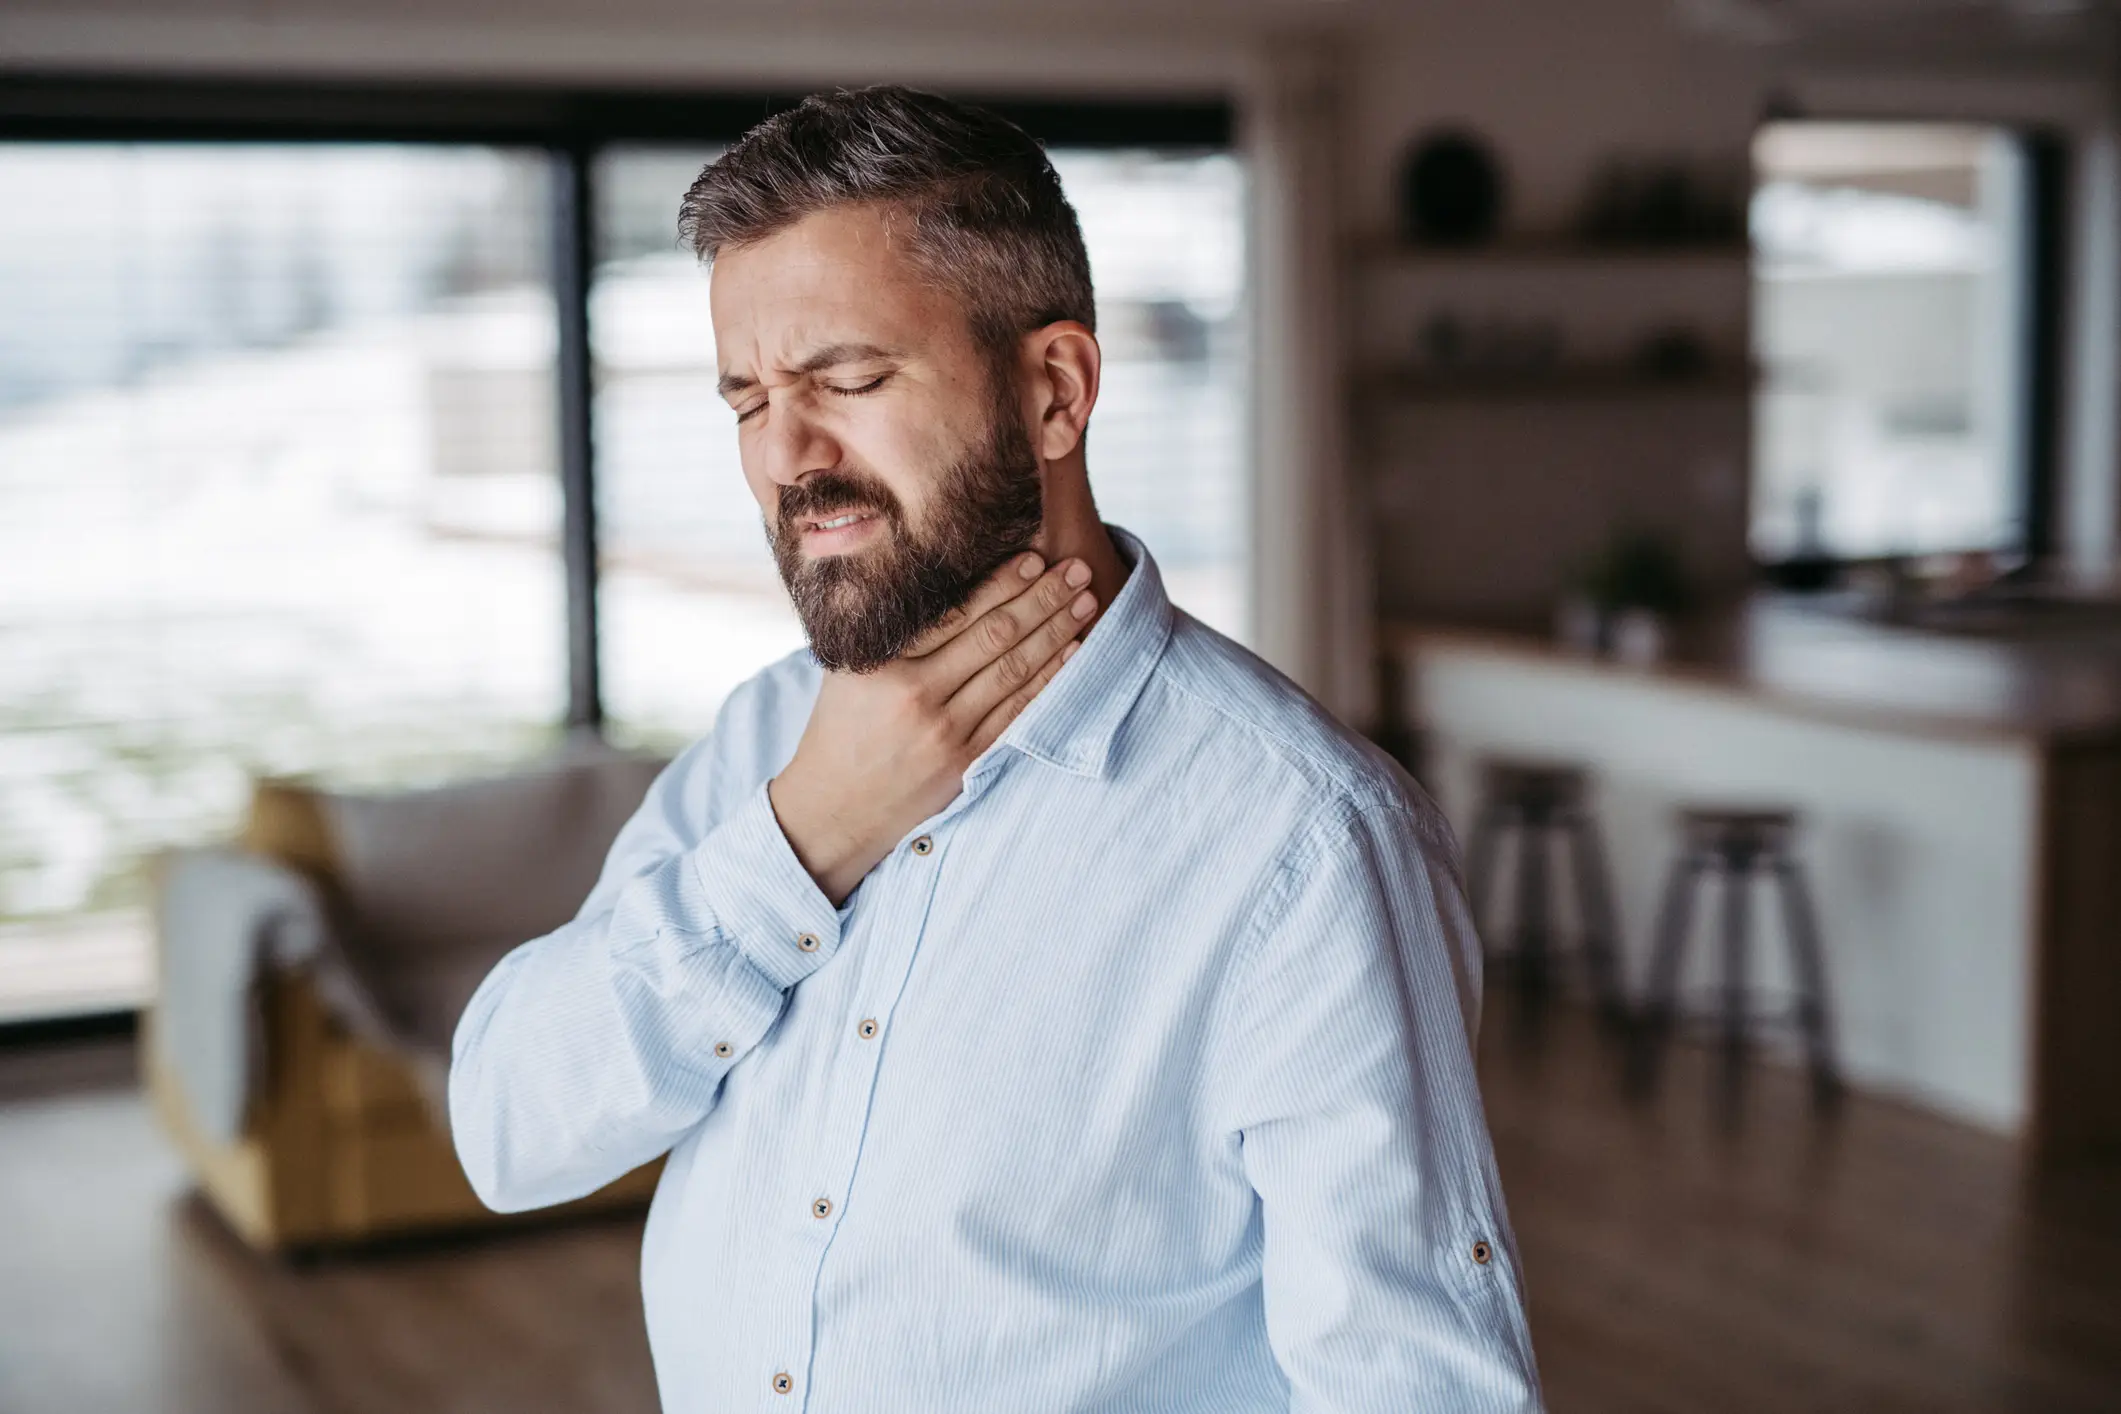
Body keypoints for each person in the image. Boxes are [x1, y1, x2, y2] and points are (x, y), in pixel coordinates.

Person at [449, 85, 1542, 1413]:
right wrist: (799, 842)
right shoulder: (763, 744)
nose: (786, 456)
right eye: (747, 398)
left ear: (1056, 389)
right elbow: (508, 1129)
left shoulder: (1304, 840)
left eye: (846, 378)